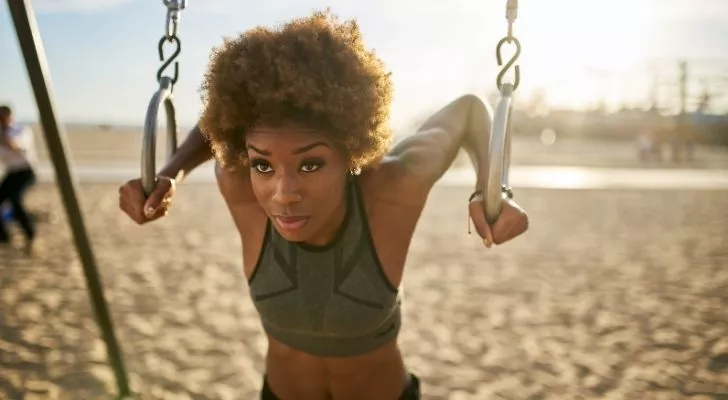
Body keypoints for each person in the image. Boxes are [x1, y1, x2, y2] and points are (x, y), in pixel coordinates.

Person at [119, 10, 529, 400]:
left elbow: (471, 112)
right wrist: (171, 172)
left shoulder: (392, 187)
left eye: (310, 163)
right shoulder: (242, 190)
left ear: (352, 153)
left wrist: (491, 191)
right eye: (263, 163)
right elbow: (217, 127)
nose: (283, 193)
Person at [0, 105, 38, 251]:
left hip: (26, 171)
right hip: (12, 172)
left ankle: (30, 233)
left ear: (9, 116)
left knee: (15, 200)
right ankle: (3, 236)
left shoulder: (20, 130)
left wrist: (5, 136)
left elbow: (17, 145)